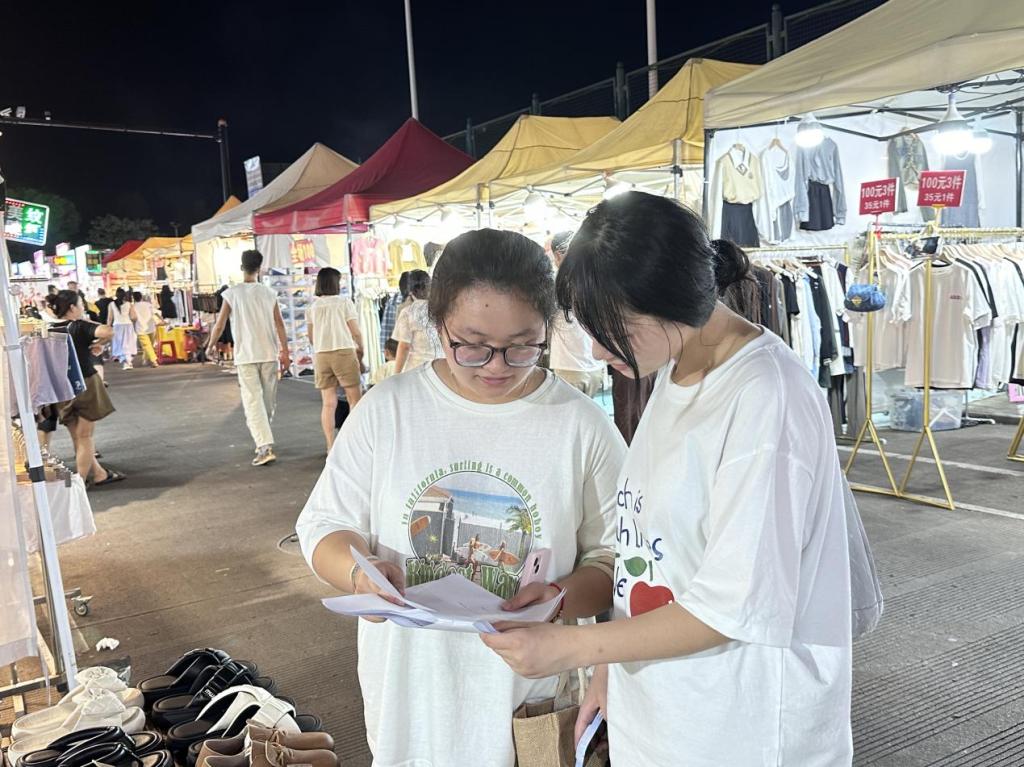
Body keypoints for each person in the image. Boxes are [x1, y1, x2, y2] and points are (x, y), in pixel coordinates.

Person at [482, 192, 854, 766]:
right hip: (668, 713)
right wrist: (607, 665)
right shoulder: (677, 367)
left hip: (741, 726)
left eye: (613, 328)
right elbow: (652, 553)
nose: (598, 349)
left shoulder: (763, 398)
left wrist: (574, 647)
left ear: (669, 302)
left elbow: (730, 607)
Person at [295, 229, 626, 767]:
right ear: (436, 323)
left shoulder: (581, 425)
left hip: (532, 700)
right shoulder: (387, 410)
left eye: (523, 344)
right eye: (471, 345)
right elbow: (324, 524)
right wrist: (358, 574)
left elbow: (620, 562)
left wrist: (558, 598)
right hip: (410, 696)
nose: (496, 365)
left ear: (549, 328)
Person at [206, 250, 290, 467]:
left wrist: (211, 345)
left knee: (254, 401)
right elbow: (280, 324)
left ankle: (264, 445)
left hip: (246, 355)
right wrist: (285, 351)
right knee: (267, 401)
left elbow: (220, 324)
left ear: (242, 267)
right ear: (259, 268)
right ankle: (263, 441)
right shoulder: (269, 293)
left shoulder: (232, 294)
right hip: (268, 352)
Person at [48, 290, 125, 487]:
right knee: (85, 437)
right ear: (72, 307)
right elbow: (108, 331)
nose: (83, 308)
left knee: (77, 436)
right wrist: (99, 344)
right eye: (81, 304)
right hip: (85, 383)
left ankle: (99, 474)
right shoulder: (79, 326)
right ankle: (80, 483)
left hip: (61, 388)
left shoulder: (49, 329)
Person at [308, 267, 364, 452]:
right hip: (343, 352)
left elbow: (311, 337)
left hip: (321, 355)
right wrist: (361, 349)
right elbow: (355, 331)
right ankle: (352, 443)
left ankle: (330, 446)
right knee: (354, 399)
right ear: (335, 283)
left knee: (328, 403)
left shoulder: (313, 307)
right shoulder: (344, 302)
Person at [548, 231, 606, 398]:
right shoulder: (595, 280)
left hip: (571, 365)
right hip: (591, 364)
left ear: (558, 255)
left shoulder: (554, 284)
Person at [391, 269, 442, 374]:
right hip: (441, 366)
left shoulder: (408, 313)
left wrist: (396, 373)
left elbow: (404, 346)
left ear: (411, 290)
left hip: (418, 368)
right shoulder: (441, 309)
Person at [379, 271, 411, 354]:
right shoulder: (392, 302)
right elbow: (386, 328)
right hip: (397, 349)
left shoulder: (393, 302)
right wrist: (385, 350)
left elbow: (386, 328)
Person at [107, 287, 138, 370]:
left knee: (120, 345)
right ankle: (128, 362)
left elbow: (110, 318)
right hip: (128, 325)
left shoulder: (111, 304)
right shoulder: (129, 304)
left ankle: (126, 362)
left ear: (116, 295)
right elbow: (133, 317)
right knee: (127, 344)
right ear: (124, 295)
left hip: (117, 326)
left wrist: (108, 327)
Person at [132, 291, 160, 367]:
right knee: (149, 345)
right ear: (141, 297)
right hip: (151, 327)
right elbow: (156, 313)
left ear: (133, 298)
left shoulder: (133, 307)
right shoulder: (148, 304)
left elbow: (133, 318)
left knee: (147, 345)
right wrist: (162, 320)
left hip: (140, 328)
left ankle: (153, 361)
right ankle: (146, 359)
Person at [214, 285, 234, 364]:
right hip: (230, 319)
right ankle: (231, 355)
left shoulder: (219, 297)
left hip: (223, 319)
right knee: (230, 338)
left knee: (224, 340)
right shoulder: (230, 296)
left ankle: (225, 355)